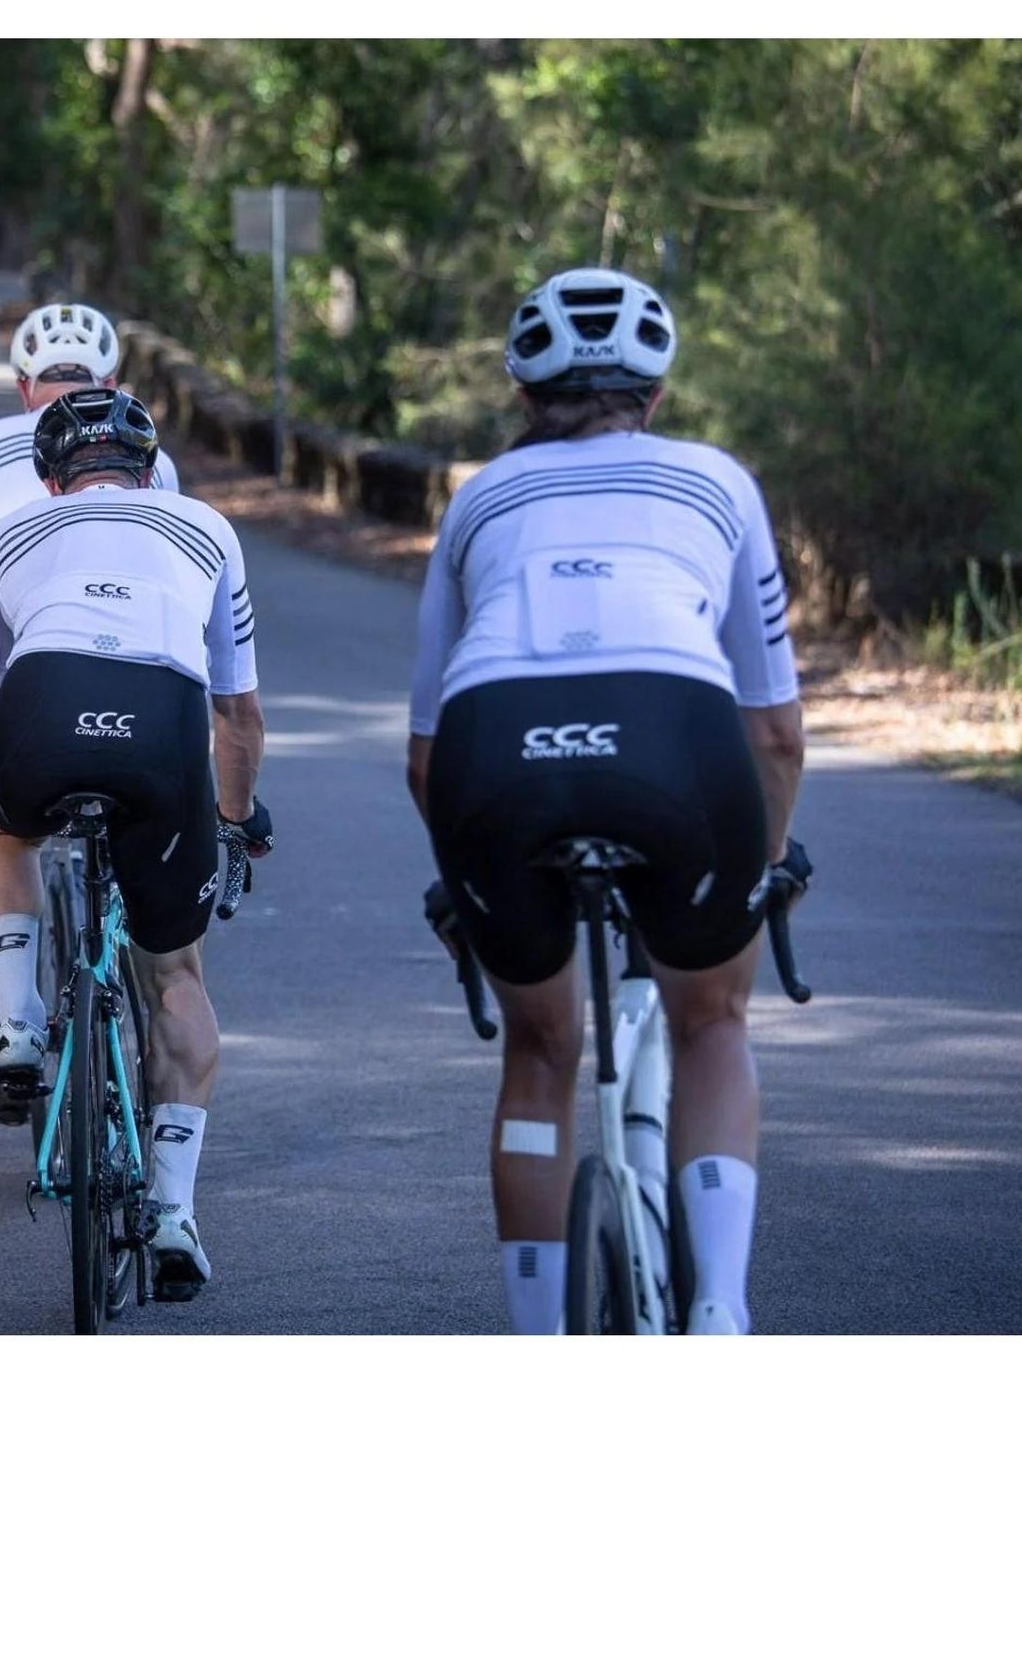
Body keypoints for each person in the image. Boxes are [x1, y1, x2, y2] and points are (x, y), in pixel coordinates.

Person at [406, 268, 807, 1336]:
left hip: (496, 755)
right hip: (676, 740)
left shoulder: (478, 499)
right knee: (710, 1018)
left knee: (539, 1050)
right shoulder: (718, 481)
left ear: (522, 395)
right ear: (656, 394)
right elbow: (773, 731)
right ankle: (717, 1308)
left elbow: (424, 756)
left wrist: (470, 882)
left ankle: (542, 1339)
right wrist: (761, 867)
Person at [0, 387, 272, 1301]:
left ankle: (17, 1026)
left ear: (50, 477)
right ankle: (171, 1209)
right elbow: (238, 715)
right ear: (149, 469)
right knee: (175, 972)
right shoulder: (206, 527)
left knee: (3, 834)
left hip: (42, 705)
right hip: (162, 719)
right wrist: (235, 819)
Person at [0, 304, 179, 1102]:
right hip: (144, 672)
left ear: (22, 386)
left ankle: (12, 1025)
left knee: (0, 836)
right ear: (112, 383)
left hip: (19, 665)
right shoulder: (154, 456)